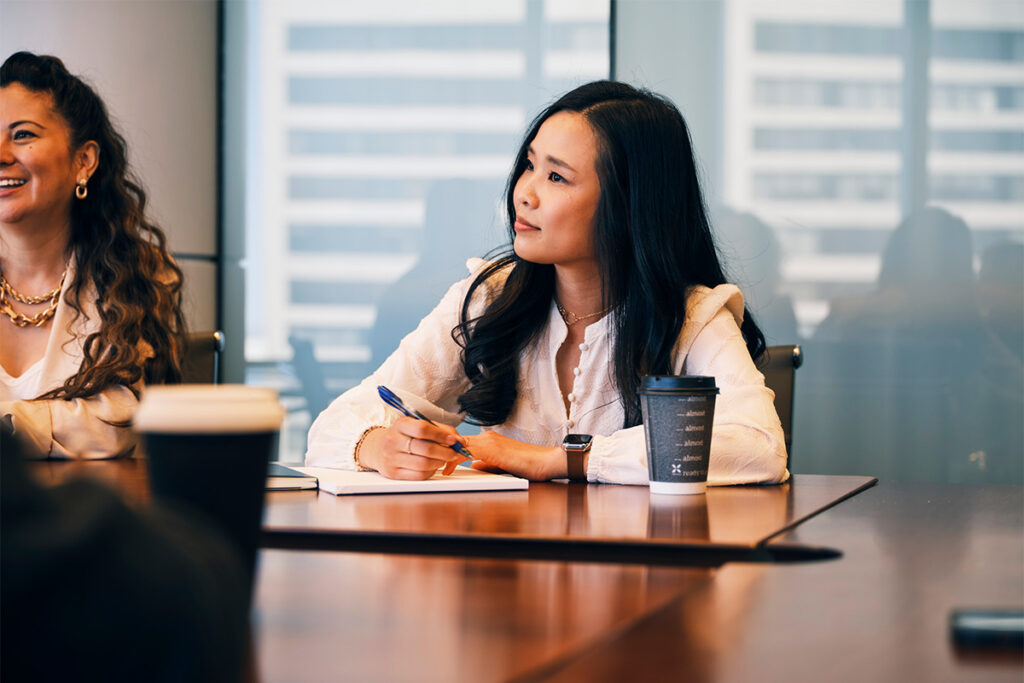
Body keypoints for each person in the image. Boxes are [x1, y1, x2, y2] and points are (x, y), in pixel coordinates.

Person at [306, 81, 788, 485]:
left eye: (557, 177)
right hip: (511, 574)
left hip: (641, 573)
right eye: (530, 165)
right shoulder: (489, 298)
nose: (525, 193)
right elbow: (334, 425)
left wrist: (559, 459)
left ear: (629, 206)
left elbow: (760, 447)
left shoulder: (692, 318)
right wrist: (375, 446)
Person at [0, 52, 185, 459]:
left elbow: (122, 424)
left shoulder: (136, 275)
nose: (1, 153)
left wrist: (13, 426)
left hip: (91, 517)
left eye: (23, 135)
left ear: (83, 161)